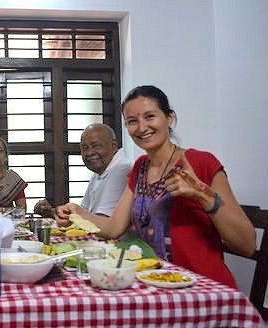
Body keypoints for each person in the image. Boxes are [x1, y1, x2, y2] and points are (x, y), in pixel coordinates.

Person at [56, 85, 256, 287]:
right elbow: (114, 227)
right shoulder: (140, 167)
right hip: (153, 284)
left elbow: (247, 245)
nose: (142, 128)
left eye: (150, 117)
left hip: (202, 289)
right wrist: (77, 212)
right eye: (132, 121)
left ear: (169, 118)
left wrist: (203, 195)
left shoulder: (201, 162)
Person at [34, 124, 132, 218]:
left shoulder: (121, 169)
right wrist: (53, 211)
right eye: (85, 148)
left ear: (113, 145)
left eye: (96, 146)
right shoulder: (99, 172)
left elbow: (102, 222)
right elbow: (83, 214)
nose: (89, 153)